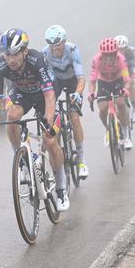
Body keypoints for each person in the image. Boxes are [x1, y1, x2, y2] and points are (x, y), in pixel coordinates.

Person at [0, 28, 70, 212]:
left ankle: (61, 189)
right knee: (12, 116)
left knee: (50, 139)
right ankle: (21, 158)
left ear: (24, 51)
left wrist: (48, 123)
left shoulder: (36, 60)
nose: (11, 59)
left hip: (44, 93)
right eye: (7, 54)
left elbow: (49, 97)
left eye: (15, 54)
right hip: (22, 92)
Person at [42, 24, 89, 179]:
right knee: (51, 115)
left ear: (64, 42)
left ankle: (82, 161)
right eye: (52, 46)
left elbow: (81, 78)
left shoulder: (72, 50)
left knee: (74, 117)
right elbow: (47, 81)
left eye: (57, 46)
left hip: (72, 81)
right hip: (57, 82)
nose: (55, 50)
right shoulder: (45, 53)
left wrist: (77, 93)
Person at [87, 37, 133, 149]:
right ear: (101, 54)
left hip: (118, 81)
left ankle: (126, 136)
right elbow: (92, 82)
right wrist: (91, 93)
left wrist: (126, 89)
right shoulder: (96, 60)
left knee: (121, 104)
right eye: (105, 54)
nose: (108, 57)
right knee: (102, 109)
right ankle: (108, 129)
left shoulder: (121, 59)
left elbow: (127, 80)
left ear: (115, 53)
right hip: (103, 82)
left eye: (111, 54)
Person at [115, 35, 135, 123]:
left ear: (127, 47)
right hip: (118, 70)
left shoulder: (131, 52)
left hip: (129, 68)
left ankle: (134, 111)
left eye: (123, 49)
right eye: (118, 49)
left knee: (131, 84)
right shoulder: (111, 53)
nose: (120, 51)